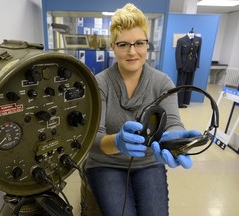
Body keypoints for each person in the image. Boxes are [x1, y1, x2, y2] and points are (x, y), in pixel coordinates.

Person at [84, 3, 201, 216]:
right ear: (112, 46)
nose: (132, 52)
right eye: (123, 45)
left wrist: (172, 138)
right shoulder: (99, 84)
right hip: (105, 163)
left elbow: (172, 120)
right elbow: (93, 139)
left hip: (148, 161)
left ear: (147, 44)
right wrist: (117, 142)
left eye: (139, 43)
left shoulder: (162, 82)